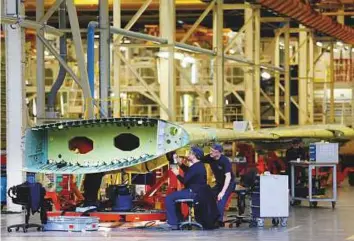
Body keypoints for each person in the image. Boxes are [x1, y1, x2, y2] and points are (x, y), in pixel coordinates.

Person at [165, 146, 207, 230]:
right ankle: (179, 220)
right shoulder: (198, 166)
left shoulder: (196, 167)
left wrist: (176, 173)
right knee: (175, 196)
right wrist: (180, 164)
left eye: (190, 153)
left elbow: (184, 181)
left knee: (169, 198)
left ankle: (173, 223)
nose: (188, 154)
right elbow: (189, 171)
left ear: (194, 155)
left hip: (192, 192)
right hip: (196, 192)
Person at [202, 143, 236, 225]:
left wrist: (222, 192)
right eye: (210, 150)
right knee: (209, 196)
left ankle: (219, 221)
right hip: (219, 183)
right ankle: (208, 217)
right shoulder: (210, 157)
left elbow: (228, 177)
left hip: (229, 183)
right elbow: (198, 159)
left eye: (213, 151)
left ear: (218, 153)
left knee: (221, 199)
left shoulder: (225, 161)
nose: (210, 152)